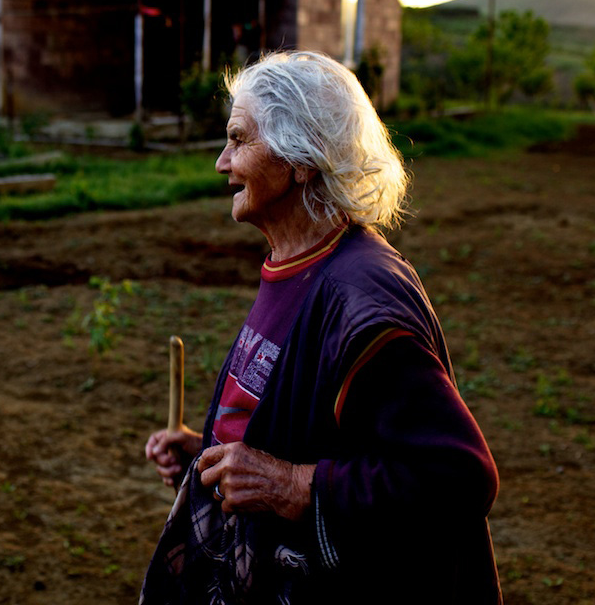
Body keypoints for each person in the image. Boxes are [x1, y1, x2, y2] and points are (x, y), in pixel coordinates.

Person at [141, 51, 501, 604]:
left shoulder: (362, 302)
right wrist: (212, 454)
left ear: (301, 159)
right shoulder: (297, 265)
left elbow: (458, 476)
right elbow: (303, 422)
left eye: (238, 140)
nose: (221, 162)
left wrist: (291, 485)